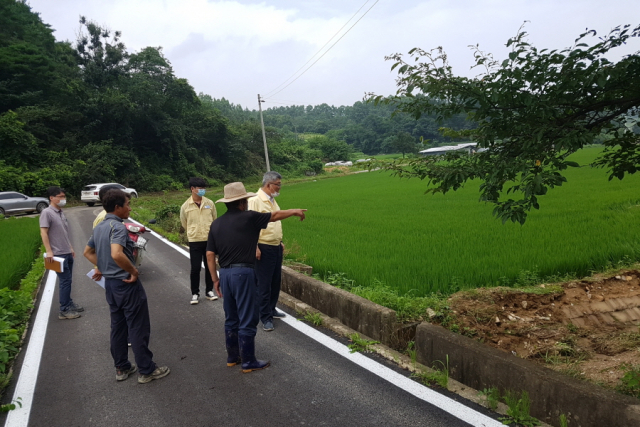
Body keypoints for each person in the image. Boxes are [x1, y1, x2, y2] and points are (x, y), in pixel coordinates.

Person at [206, 182, 306, 373]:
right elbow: (274, 216)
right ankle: (249, 361)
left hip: (224, 274)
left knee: (231, 317)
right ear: (243, 201)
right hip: (243, 273)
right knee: (248, 317)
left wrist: (215, 279)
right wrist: (294, 211)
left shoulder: (216, 224)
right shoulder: (249, 217)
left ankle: (232, 357)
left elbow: (210, 255)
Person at [83, 189, 170, 384]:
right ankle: (146, 370)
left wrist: (104, 268)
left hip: (111, 286)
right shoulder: (118, 227)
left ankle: (122, 368)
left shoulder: (99, 228)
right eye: (127, 205)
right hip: (126, 284)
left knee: (118, 327)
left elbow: (87, 252)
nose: (129, 208)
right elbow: (116, 253)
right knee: (138, 326)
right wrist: (133, 271)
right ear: (117, 207)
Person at [248, 171, 286, 332]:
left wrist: (280, 241)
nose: (279, 188)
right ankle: (265, 317)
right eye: (278, 185)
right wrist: (254, 246)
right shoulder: (255, 201)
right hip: (263, 247)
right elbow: (249, 226)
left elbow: (274, 223)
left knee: (275, 281)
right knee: (263, 284)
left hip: (275, 246)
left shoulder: (272, 201)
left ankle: (271, 308)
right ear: (269, 184)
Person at [40, 186, 83, 320]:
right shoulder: (47, 213)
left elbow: (63, 233)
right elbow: (44, 232)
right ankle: (64, 310)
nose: (63, 199)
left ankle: (69, 303)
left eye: (64, 196)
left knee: (68, 281)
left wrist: (70, 247)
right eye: (60, 197)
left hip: (66, 252)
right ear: (51, 198)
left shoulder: (60, 212)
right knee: (65, 281)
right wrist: (49, 251)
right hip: (57, 254)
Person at [180, 177, 218, 305]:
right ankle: (195, 293)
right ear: (192, 189)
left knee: (209, 266)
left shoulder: (210, 203)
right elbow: (184, 223)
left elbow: (214, 220)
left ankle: (209, 291)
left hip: (209, 240)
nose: (202, 190)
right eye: (200, 188)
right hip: (195, 240)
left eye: (203, 188)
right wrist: (193, 232)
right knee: (195, 268)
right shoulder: (185, 206)